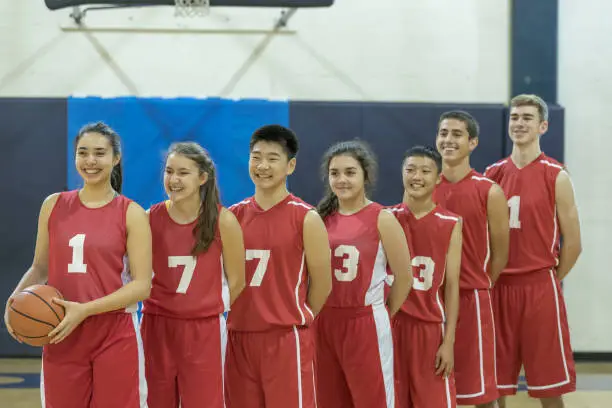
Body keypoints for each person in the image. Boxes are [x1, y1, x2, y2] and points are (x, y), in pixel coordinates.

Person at [3, 122, 152, 407]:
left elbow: (142, 286)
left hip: (114, 332)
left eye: (99, 153)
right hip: (60, 332)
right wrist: (14, 302)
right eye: (83, 153)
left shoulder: (131, 213)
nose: (90, 161)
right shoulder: (53, 204)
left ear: (115, 158)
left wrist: (84, 310)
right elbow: (39, 268)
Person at [224, 124, 332, 408]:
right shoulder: (231, 217)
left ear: (290, 165)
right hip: (238, 337)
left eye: (272, 158)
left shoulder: (306, 218)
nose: (262, 165)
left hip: (286, 339)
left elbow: (322, 285)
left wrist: (294, 316)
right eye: (256, 157)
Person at [484, 94, 581, 408]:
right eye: (514, 117)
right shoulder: (492, 175)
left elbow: (574, 244)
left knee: (549, 385)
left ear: (543, 126)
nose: (519, 123)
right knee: (493, 383)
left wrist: (548, 278)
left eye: (527, 117)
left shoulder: (556, 176)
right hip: (497, 287)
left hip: (539, 287)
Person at [140, 142, 246, 408]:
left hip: (204, 330)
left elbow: (238, 280)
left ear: (202, 178)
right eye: (169, 171)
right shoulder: (148, 218)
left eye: (183, 173)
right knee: (154, 401)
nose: (173, 179)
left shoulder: (224, 220)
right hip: (156, 326)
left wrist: (205, 306)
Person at [314, 140, 413, 408]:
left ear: (365, 176)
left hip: (364, 321)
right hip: (323, 322)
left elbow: (404, 277)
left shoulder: (382, 217)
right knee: (328, 400)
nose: (341, 179)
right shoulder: (318, 218)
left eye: (350, 172)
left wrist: (380, 313)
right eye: (335, 173)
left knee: (373, 400)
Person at [432, 111, 509, 408]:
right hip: (431, 302)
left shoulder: (489, 190)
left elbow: (500, 253)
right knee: (433, 387)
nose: (448, 140)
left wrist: (480, 283)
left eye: (456, 134)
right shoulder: (424, 188)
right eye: (443, 133)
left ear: (473, 142)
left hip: (471, 299)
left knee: (481, 394)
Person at [389, 145, 462, 408]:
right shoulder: (386, 218)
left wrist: (449, 341)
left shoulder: (451, 222)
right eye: (410, 170)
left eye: (425, 171)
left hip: (429, 329)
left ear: (438, 177)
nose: (416, 176)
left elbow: (452, 287)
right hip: (391, 326)